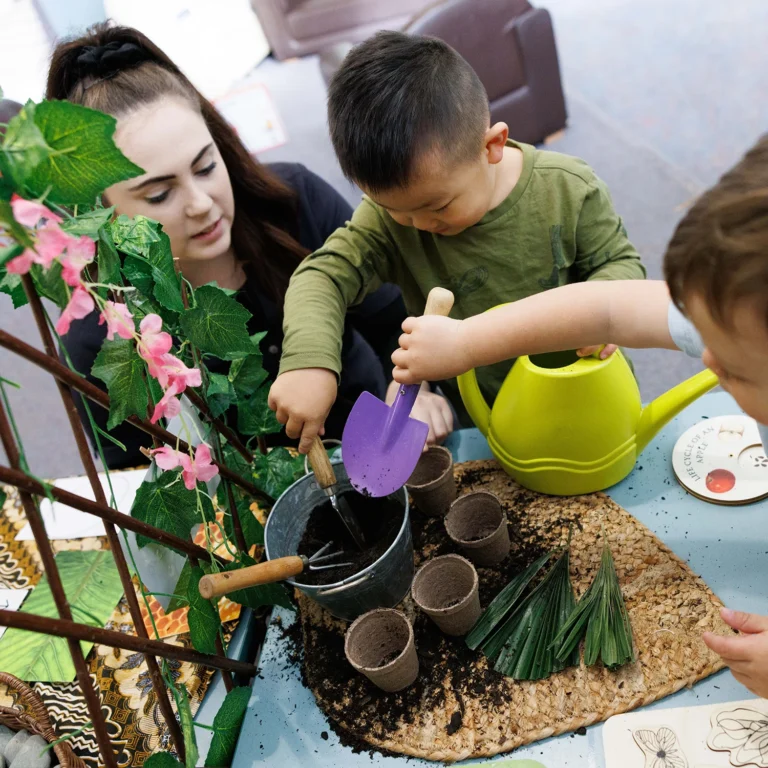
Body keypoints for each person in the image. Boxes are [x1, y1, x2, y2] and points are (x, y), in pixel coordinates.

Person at [392, 135, 768, 699]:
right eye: (701, 336)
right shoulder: (746, 307)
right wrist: (468, 341)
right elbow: (608, 308)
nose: (706, 358)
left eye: (733, 369)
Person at [46, 24, 452, 468]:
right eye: (160, 194)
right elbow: (132, 466)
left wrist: (415, 392)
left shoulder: (296, 203)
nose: (202, 205)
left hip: (381, 452)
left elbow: (396, 322)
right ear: (101, 211)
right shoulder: (106, 332)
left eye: (204, 167)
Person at [268, 30, 646, 454]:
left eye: (438, 206)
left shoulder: (569, 190)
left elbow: (621, 265)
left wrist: (601, 309)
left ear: (492, 146)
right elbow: (323, 276)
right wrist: (309, 362)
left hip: (592, 394)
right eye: (395, 209)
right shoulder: (388, 220)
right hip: (491, 422)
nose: (417, 224)